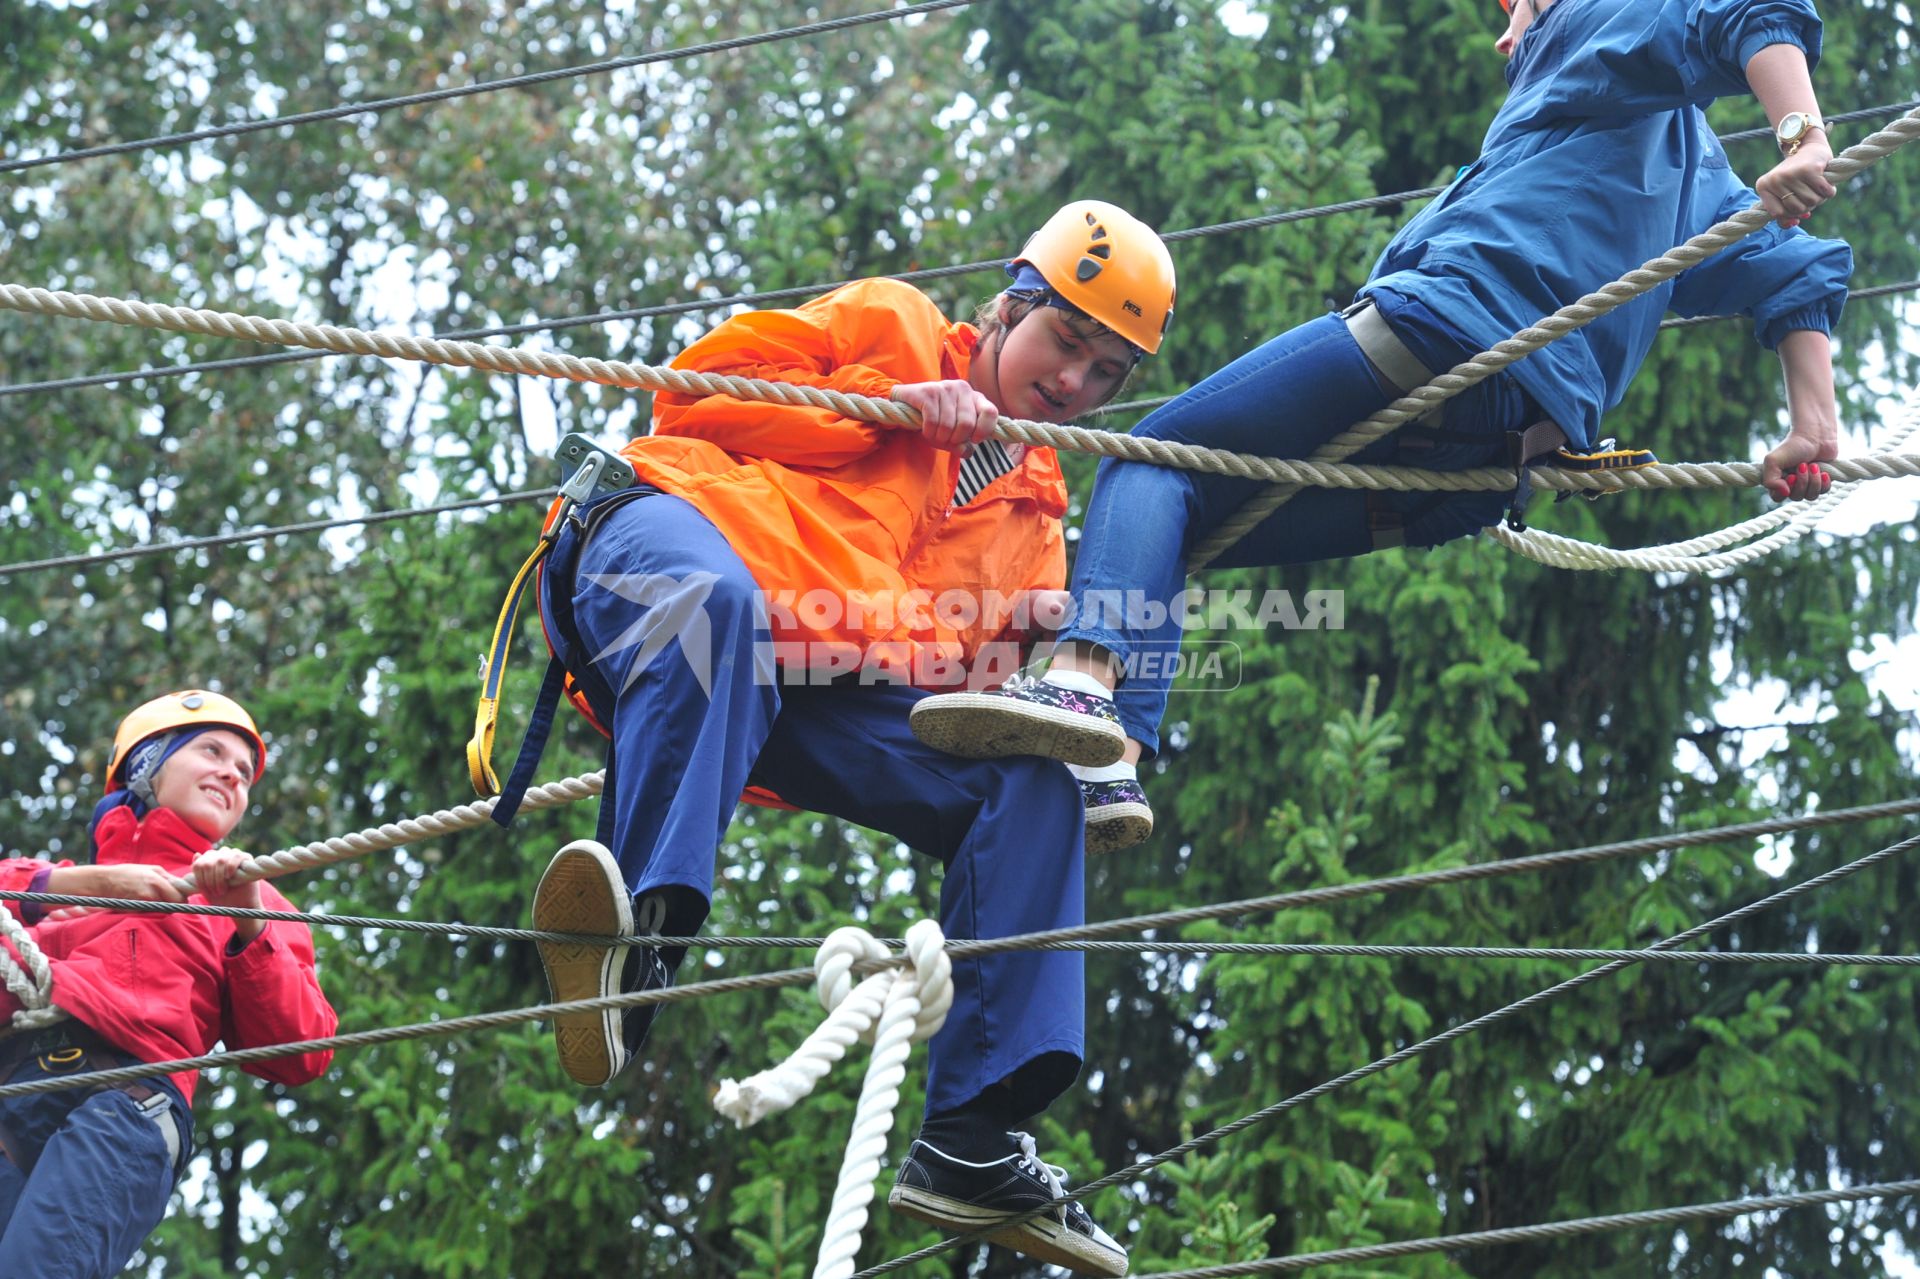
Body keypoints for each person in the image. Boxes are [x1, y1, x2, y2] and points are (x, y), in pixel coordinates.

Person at [907, 0, 1852, 847]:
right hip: (1479, 474)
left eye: (1512, 5)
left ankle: (1081, 676)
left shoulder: (1594, 21)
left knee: (1148, 470)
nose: (1503, 32)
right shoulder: (1686, 172)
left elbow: (1741, 10)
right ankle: (1109, 752)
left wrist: (1801, 134)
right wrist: (1815, 422)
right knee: (1173, 532)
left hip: (1438, 340)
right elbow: (1794, 269)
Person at [521, 201, 1175, 1276]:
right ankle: (628, 951)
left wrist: (1039, 640)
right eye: (1066, 340)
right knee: (717, 607)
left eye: (1106, 372)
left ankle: (975, 1132)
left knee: (1032, 781)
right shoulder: (894, 325)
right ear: (1012, 307)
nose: (1074, 383)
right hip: (660, 543)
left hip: (790, 681)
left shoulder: (1034, 530)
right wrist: (887, 409)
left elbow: (942, 689)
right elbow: (690, 393)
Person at [0, 689, 337, 1278]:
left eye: (243, 773)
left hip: (125, 1103)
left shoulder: (256, 900)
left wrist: (247, 924)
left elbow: (303, 1050)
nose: (231, 775)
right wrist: (88, 882)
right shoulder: (53, 893)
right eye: (211, 752)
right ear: (147, 764)